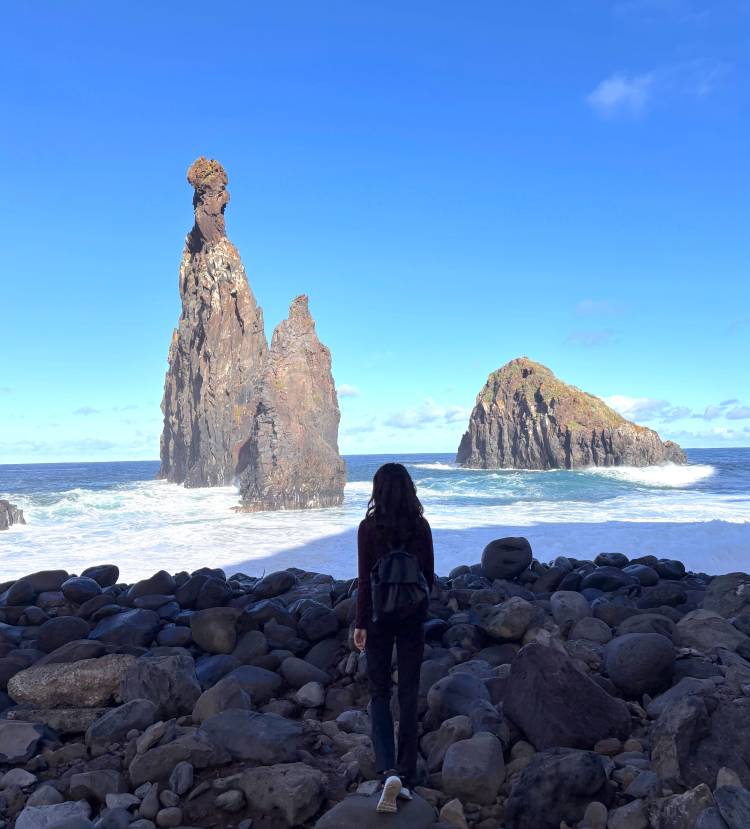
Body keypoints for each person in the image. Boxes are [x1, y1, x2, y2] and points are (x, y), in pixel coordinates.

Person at [353, 462, 435, 811]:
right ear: (409, 490)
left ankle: (388, 769)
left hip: (378, 619)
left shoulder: (368, 528)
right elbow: (428, 577)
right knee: (409, 692)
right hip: (412, 619)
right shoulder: (421, 527)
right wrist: (415, 607)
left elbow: (363, 582)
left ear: (378, 492)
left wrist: (360, 624)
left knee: (379, 692)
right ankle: (408, 771)